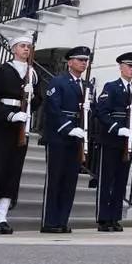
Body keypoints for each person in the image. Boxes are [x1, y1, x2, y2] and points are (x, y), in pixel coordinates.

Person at [0, 33, 42, 234]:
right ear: (13, 49)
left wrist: (32, 98)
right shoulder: (3, 70)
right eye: (22, 46)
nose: (26, 49)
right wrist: (9, 115)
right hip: (4, 124)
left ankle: (2, 215)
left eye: (28, 46)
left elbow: (39, 100)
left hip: (22, 124)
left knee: (13, 171)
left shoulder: (33, 73)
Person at [40, 45, 93, 234]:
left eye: (86, 60)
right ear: (70, 62)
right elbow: (53, 109)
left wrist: (88, 109)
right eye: (80, 60)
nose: (83, 63)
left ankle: (62, 220)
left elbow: (88, 115)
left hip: (77, 136)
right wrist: (69, 128)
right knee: (56, 179)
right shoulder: (59, 81)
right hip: (59, 136)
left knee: (70, 181)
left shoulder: (87, 86)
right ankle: (49, 221)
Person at [94, 51, 132, 232]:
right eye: (130, 66)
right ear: (121, 67)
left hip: (128, 142)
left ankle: (115, 217)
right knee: (107, 180)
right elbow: (102, 112)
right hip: (111, 139)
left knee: (121, 181)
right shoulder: (111, 87)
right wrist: (117, 128)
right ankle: (103, 218)